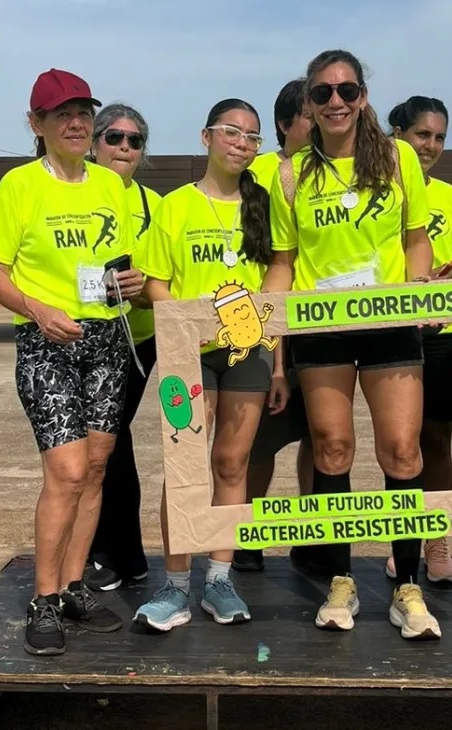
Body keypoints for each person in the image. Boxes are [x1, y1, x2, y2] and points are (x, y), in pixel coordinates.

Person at [263, 49, 442, 641]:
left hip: (389, 322)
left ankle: (408, 584)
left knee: (402, 452)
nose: (335, 101)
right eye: (322, 93)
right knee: (333, 449)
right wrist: (265, 325)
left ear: (363, 97)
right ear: (309, 103)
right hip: (321, 328)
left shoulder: (397, 158)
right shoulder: (291, 174)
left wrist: (420, 288)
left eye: (346, 90)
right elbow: (284, 263)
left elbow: (417, 240)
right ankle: (341, 579)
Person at [0, 68, 145, 656]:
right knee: (67, 472)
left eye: (82, 112)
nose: (75, 123)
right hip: (46, 341)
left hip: (106, 340)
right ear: (37, 124)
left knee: (96, 469)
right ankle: (43, 599)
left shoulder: (111, 186)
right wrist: (37, 308)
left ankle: (75, 586)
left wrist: (130, 282)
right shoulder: (20, 186)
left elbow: (123, 266)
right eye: (61, 114)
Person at [132, 98, 281, 631]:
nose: (242, 143)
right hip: (188, 353)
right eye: (231, 132)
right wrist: (185, 321)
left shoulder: (264, 204)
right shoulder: (176, 206)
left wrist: (271, 349)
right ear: (206, 137)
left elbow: (279, 274)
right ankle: (174, 585)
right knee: (185, 467)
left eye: (252, 137)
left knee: (232, 464)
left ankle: (219, 578)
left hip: (248, 352)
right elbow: (154, 282)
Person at [386, 95, 452, 584]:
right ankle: (403, 541)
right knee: (399, 443)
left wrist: (448, 288)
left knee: (437, 441)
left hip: (443, 336)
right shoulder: (376, 190)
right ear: (397, 134)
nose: (431, 145)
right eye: (422, 134)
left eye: (440, 137)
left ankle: (436, 541)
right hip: (390, 332)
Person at [232, 76, 317, 575]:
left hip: (323, 323)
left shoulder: (337, 169)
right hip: (270, 322)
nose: (320, 120)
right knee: (260, 439)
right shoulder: (259, 173)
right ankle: (249, 535)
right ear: (285, 124)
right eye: (309, 113)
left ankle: (311, 533)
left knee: (320, 436)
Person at [84, 103, 163, 592]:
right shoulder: (75, 193)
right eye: (114, 137)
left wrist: (143, 283)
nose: (125, 147)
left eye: (135, 140)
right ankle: (123, 554)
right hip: (85, 334)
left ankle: (113, 554)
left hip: (138, 337)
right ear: (94, 143)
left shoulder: (156, 204)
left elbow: (169, 270)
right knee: (105, 443)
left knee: (109, 440)